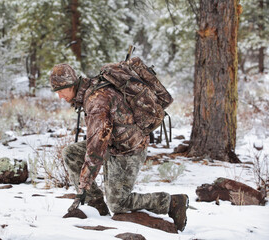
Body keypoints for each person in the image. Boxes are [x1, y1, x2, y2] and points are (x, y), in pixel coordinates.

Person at [49, 63, 189, 231]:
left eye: (61, 90)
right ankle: (97, 206)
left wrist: (83, 186)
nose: (60, 96)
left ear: (72, 85)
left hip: (128, 149)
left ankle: (171, 202)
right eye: (56, 91)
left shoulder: (96, 100)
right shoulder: (90, 89)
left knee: (118, 203)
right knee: (71, 153)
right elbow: (99, 142)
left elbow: (96, 148)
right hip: (114, 143)